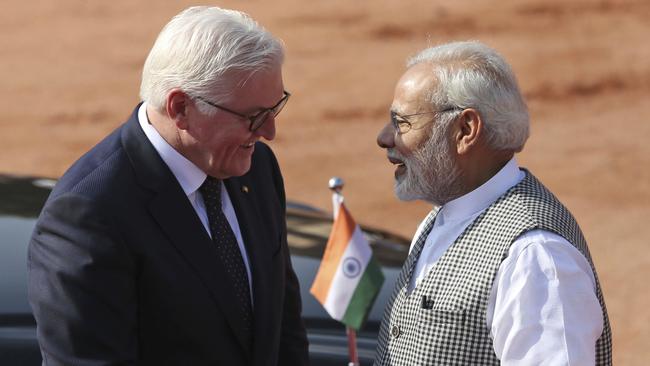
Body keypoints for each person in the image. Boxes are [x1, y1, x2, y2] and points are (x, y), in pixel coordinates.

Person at [27, 6, 309, 366]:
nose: (269, 132)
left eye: (276, 107)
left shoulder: (255, 167)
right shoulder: (88, 216)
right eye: (254, 116)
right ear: (180, 109)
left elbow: (284, 331)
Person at [373, 41, 612, 365]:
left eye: (402, 122)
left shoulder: (537, 257)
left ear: (465, 130)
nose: (385, 138)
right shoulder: (443, 216)